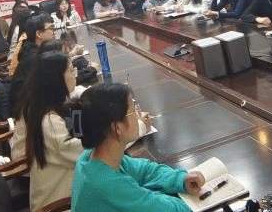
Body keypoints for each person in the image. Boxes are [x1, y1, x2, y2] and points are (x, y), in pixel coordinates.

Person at [71, 84, 205, 212]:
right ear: (117, 127)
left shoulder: (92, 157)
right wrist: (195, 200)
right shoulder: (107, 185)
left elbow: (145, 171)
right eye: (133, 110)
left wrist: (180, 179)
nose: (139, 115)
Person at [14, 52, 83, 211]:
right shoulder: (50, 122)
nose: (75, 75)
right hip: (59, 205)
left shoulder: (49, 107)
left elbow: (78, 133)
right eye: (71, 70)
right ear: (57, 79)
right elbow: (85, 151)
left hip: (67, 195)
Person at [8, 14, 56, 113]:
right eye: (51, 28)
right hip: (28, 111)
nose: (53, 32)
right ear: (39, 34)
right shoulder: (35, 58)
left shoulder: (31, 49)